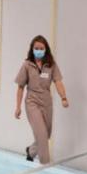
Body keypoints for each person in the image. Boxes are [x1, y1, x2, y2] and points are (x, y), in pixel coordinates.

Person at [14, 35, 69, 164]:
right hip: (32, 101)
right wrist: (18, 107)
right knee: (42, 135)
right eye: (36, 48)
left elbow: (58, 82)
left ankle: (31, 151)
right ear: (32, 49)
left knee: (47, 134)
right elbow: (20, 87)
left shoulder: (51, 65)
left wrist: (64, 98)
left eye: (41, 48)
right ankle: (45, 165)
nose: (38, 50)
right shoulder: (27, 65)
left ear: (46, 49)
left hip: (46, 101)